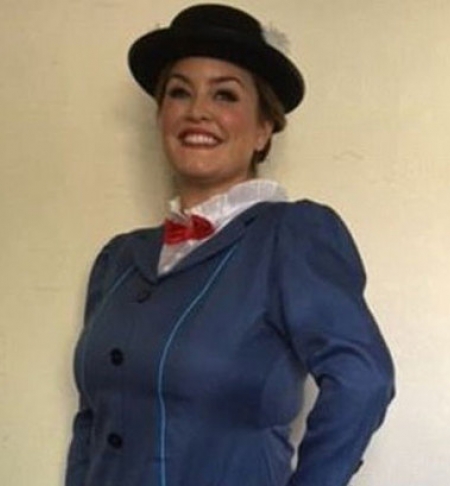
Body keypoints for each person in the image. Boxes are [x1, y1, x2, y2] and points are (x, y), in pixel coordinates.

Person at [65, 4, 395, 486]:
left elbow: (363, 380)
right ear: (161, 117)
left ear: (263, 129)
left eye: (225, 95)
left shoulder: (291, 236)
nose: (197, 110)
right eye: (179, 92)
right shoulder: (117, 260)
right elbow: (91, 420)